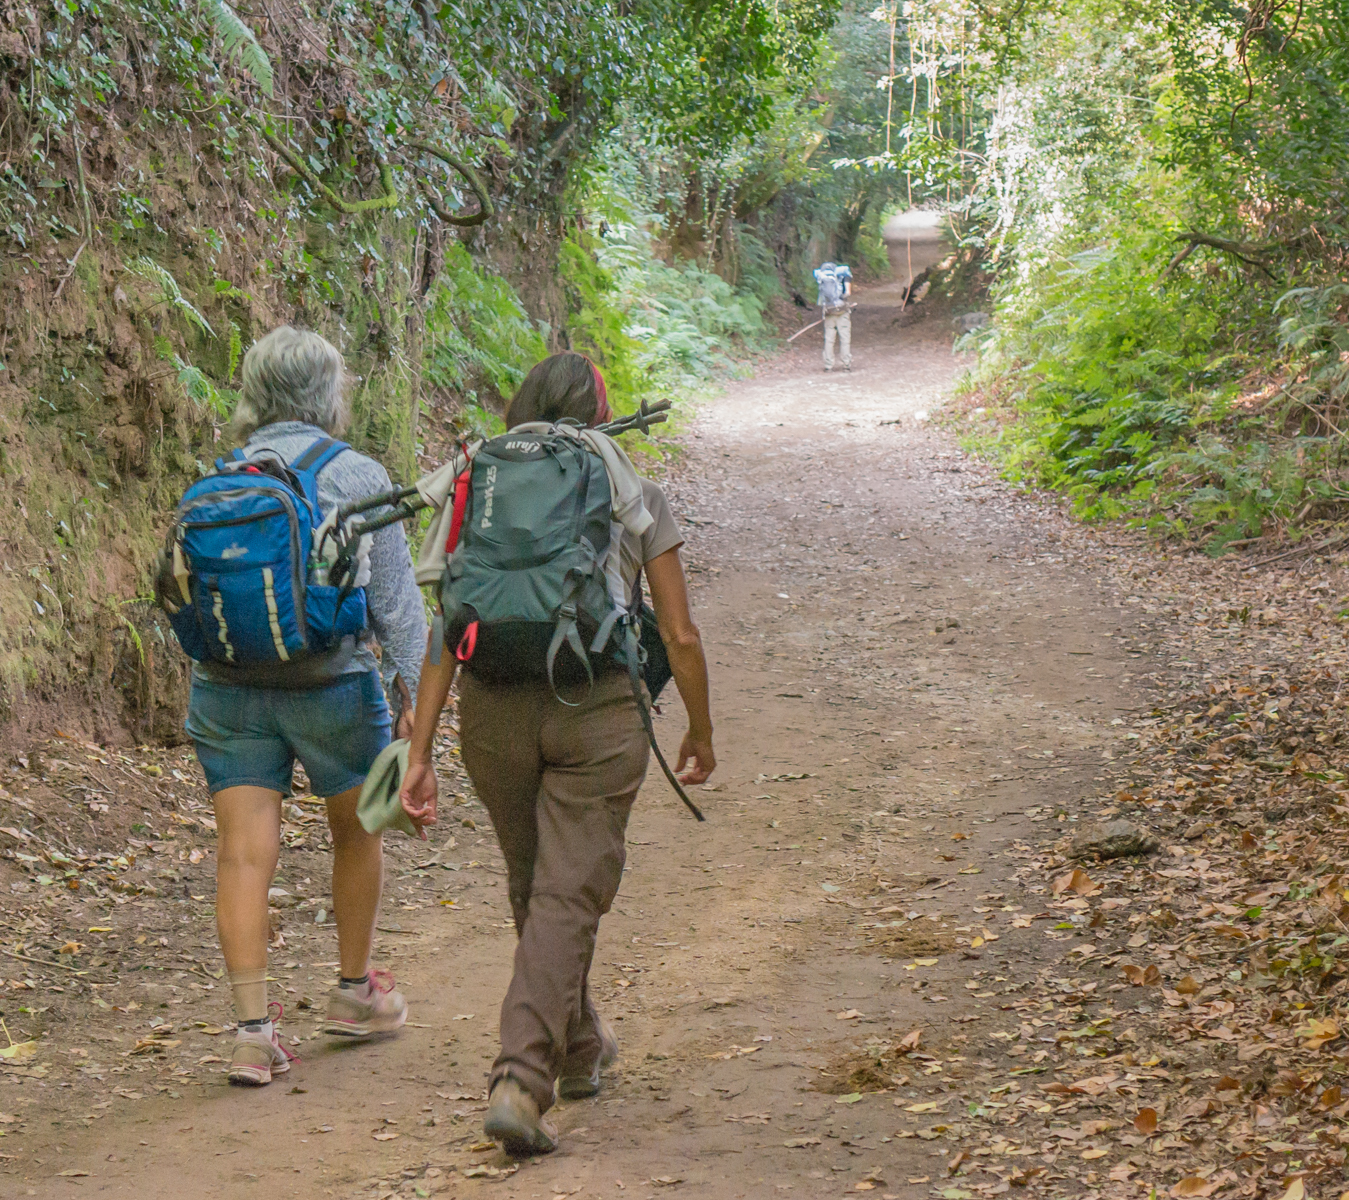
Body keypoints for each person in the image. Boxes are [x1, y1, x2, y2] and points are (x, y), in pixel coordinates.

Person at [399, 352, 717, 1156]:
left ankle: (576, 1047)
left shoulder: (479, 477)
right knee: (567, 895)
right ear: (600, 412)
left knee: (536, 884)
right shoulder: (627, 483)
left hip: (491, 710)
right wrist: (700, 730)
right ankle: (519, 1077)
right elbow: (677, 632)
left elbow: (448, 622)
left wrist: (421, 747)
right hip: (596, 709)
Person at [184, 326, 428, 1086]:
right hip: (334, 688)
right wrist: (418, 702)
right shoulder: (357, 474)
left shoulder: (223, 476)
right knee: (357, 834)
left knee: (243, 854)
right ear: (330, 394)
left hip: (228, 689)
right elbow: (397, 606)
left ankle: (253, 1033)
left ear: (253, 394)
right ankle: (354, 993)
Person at [814, 260, 854, 371]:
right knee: (845, 338)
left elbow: (821, 297)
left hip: (829, 312)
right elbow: (847, 293)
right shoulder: (844, 276)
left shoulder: (822, 277)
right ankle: (846, 364)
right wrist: (841, 300)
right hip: (842, 311)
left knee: (829, 339)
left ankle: (828, 365)